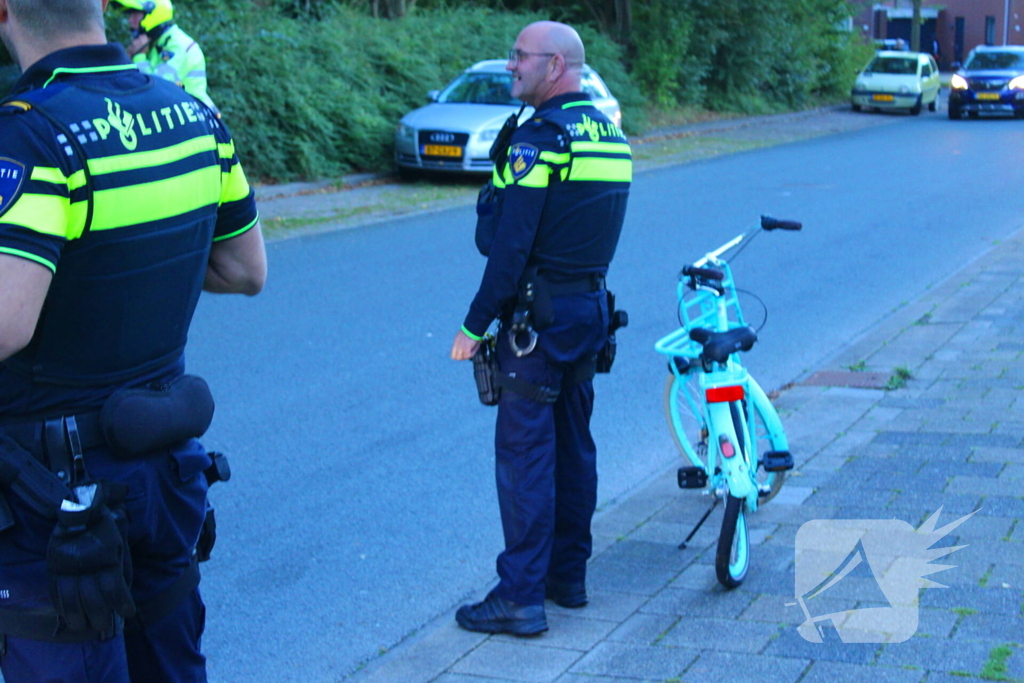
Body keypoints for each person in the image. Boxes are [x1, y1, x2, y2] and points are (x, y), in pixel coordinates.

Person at [0, 0, 266, 681]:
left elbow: (7, 324)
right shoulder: (195, 116)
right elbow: (246, 270)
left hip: (54, 498)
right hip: (166, 467)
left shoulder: (30, 136)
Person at [450, 21, 631, 635]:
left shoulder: (540, 139)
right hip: (587, 312)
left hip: (536, 321)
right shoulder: (610, 135)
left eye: (519, 56)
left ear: (555, 65)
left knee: (525, 456)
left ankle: (520, 598)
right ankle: (566, 577)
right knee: (574, 448)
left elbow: (508, 246)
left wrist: (475, 324)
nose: (510, 65)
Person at [108, 0, 218, 113]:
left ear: (152, 16)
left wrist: (139, 56)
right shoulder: (155, 42)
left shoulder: (177, 45)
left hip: (195, 115)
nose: (130, 20)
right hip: (182, 113)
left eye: (135, 15)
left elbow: (156, 91)